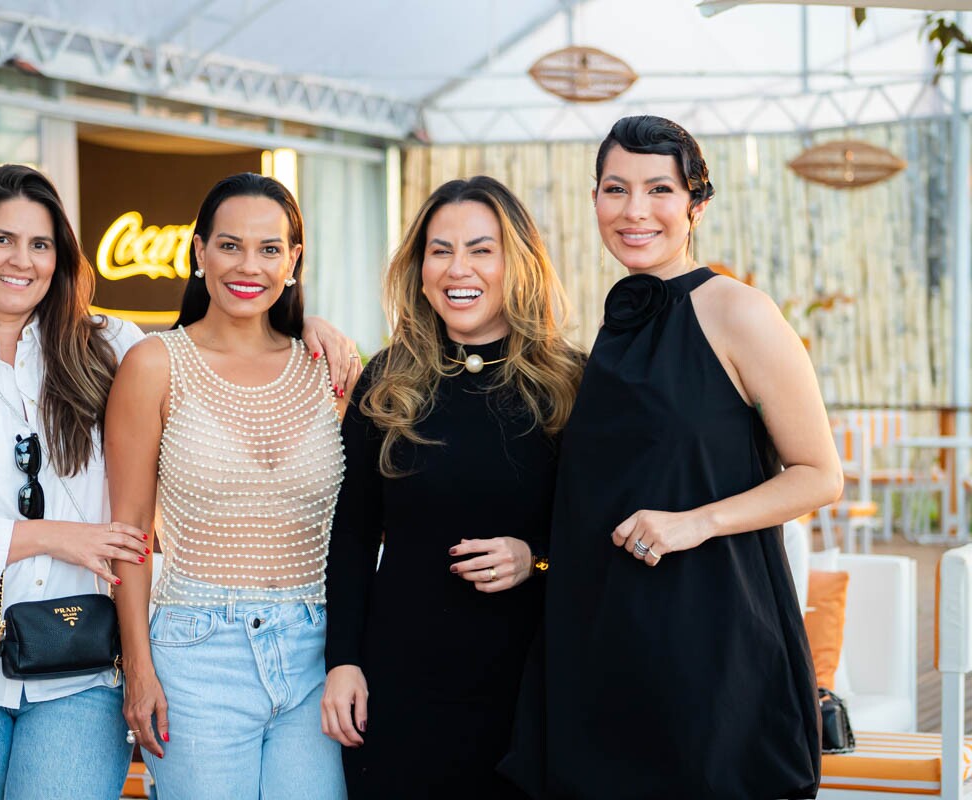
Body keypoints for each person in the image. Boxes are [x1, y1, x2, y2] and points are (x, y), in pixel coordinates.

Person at [0, 165, 358, 800]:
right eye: (1, 240)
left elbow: (229, 335)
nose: (22, 260)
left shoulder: (111, 349)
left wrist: (310, 326)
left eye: (40, 244)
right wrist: (47, 537)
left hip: (81, 676)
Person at [499, 116, 842, 800]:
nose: (634, 211)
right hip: (604, 647)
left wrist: (696, 522)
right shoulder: (613, 326)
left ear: (696, 204)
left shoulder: (739, 311)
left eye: (660, 189)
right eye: (615, 189)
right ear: (594, 198)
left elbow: (820, 476)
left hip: (710, 650)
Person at [321, 176, 584, 799]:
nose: (457, 268)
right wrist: (343, 662)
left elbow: (597, 528)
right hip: (403, 682)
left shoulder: (569, 382)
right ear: (419, 268)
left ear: (516, 262)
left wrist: (534, 556)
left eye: (480, 249)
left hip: (530, 685)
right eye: (440, 250)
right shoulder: (386, 380)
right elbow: (352, 535)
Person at [106, 172, 355, 800]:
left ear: (294, 260)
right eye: (229, 245)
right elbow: (128, 534)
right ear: (199, 252)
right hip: (197, 652)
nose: (249, 265)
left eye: (270, 249)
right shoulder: (154, 363)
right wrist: (138, 670)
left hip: (315, 651)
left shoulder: (332, 368)